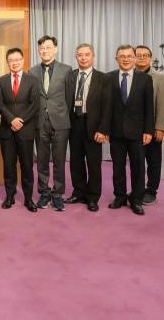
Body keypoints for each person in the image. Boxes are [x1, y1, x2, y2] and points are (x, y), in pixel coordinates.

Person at [107, 45, 154, 216]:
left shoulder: (145, 79)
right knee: (117, 167)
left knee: (138, 167)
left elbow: (149, 108)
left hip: (138, 132)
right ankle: (119, 196)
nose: (125, 59)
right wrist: (104, 129)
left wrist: (149, 130)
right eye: (122, 56)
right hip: (116, 132)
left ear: (134, 58)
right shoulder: (109, 78)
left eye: (129, 56)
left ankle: (136, 199)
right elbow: (106, 108)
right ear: (116, 59)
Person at [65, 43, 110, 212]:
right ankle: (78, 192)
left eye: (87, 55)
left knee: (93, 163)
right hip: (74, 123)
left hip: (94, 125)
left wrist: (103, 129)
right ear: (76, 57)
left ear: (93, 56)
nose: (83, 58)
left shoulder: (103, 78)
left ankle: (92, 197)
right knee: (75, 162)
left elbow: (107, 107)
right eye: (80, 55)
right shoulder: (70, 76)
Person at [0, 47, 39, 212]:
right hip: (7, 130)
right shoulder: (1, 81)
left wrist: (21, 120)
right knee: (9, 165)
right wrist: (11, 119)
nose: (14, 62)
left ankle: (28, 199)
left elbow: (35, 105)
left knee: (27, 166)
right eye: (11, 60)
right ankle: (10, 196)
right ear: (8, 62)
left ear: (23, 60)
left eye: (17, 59)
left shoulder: (33, 80)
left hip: (26, 130)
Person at [29, 35, 71, 211]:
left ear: (55, 49)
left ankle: (58, 194)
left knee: (60, 160)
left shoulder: (66, 69)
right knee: (42, 160)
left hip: (60, 121)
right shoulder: (32, 71)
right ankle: (44, 193)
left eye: (47, 47)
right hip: (40, 122)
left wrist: (62, 114)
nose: (44, 51)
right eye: (41, 49)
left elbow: (69, 96)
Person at [134, 45, 164, 205]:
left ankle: (151, 190)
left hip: (153, 128)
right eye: (138, 55)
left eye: (145, 55)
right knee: (137, 161)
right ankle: (138, 189)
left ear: (150, 58)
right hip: (133, 128)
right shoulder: (129, 76)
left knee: (153, 161)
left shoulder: (161, 79)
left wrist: (160, 127)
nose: (141, 58)